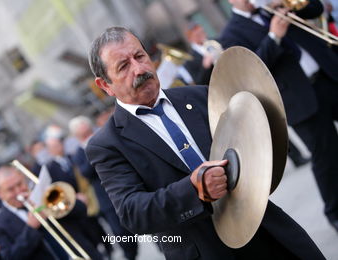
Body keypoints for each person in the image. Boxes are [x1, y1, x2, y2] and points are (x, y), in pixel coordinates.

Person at [85, 26, 325, 259]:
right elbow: (132, 212)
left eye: (140, 56)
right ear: (105, 85)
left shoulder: (201, 95)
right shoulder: (106, 145)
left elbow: (250, 143)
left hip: (267, 229)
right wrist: (194, 189)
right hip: (205, 250)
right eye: (124, 66)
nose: (139, 69)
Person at [218, 0, 338, 232]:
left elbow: (316, 9)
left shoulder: (274, 6)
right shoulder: (230, 34)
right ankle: (334, 211)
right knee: (327, 155)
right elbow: (250, 70)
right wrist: (273, 36)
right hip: (299, 99)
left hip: (327, 77)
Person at [69, 116, 139, 260]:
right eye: (81, 130)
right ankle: (130, 255)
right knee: (120, 232)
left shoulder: (103, 138)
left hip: (124, 185)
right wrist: (93, 149)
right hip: (105, 198)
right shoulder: (79, 153)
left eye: (86, 127)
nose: (85, 131)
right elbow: (85, 172)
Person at [0, 166, 63, 260]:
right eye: (10, 189)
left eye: (20, 184)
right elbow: (11, 257)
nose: (18, 191)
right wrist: (31, 228)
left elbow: (79, 211)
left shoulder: (41, 197)